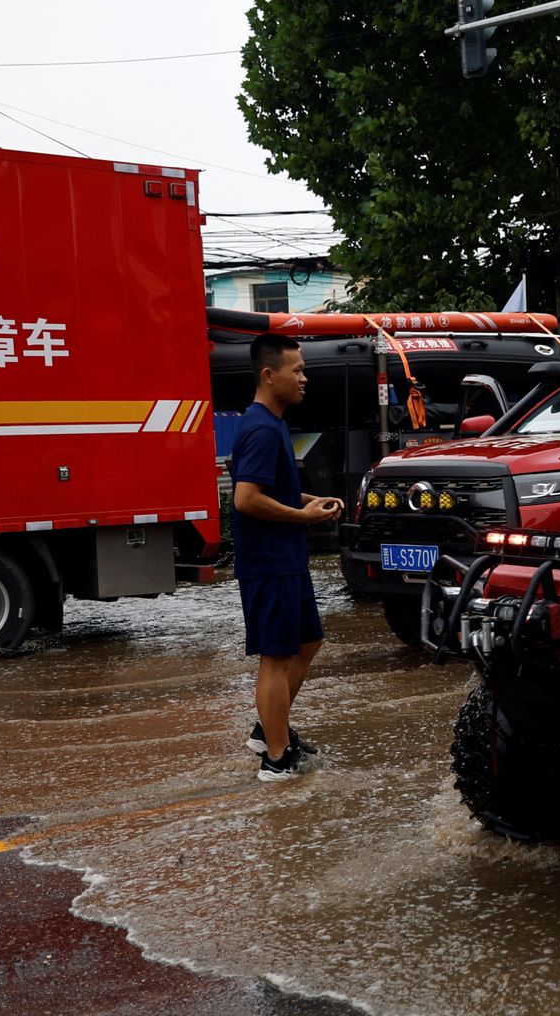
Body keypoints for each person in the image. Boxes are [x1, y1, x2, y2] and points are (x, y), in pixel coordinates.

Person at [231, 333, 344, 782]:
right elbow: (245, 499)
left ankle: (268, 729)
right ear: (268, 374)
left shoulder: (272, 422)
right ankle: (276, 759)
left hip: (287, 557)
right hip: (268, 561)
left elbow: (271, 490)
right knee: (275, 657)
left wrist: (310, 501)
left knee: (308, 643)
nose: (304, 378)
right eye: (296, 370)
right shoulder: (260, 428)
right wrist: (301, 515)